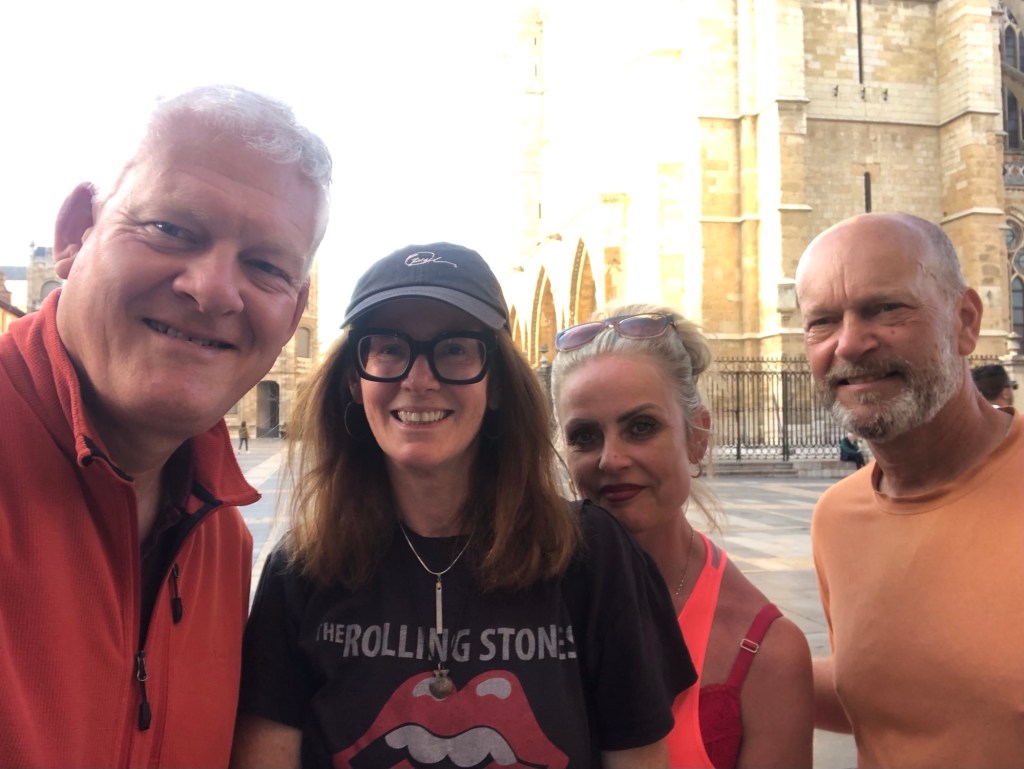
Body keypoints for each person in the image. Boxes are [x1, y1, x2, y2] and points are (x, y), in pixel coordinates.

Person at [232, 243, 696, 768]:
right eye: (389, 348)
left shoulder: (590, 557)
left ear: (495, 383)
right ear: (354, 381)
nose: (418, 380)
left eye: (454, 349)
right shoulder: (301, 571)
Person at [0, 85, 332, 768]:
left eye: (266, 266)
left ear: (293, 310)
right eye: (172, 230)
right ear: (76, 234)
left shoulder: (223, 540)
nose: (212, 290)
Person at [795, 212, 1024, 766]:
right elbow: (891, 695)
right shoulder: (837, 517)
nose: (850, 343)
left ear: (965, 321)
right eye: (823, 321)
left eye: (886, 308)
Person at [551, 304, 814, 769]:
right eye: (585, 436)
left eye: (641, 428)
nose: (611, 459)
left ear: (697, 437)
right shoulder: (518, 603)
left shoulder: (766, 652)